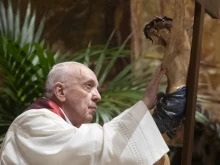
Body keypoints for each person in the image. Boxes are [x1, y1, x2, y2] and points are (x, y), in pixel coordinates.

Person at [0, 61, 171, 165]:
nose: (98, 96)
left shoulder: (55, 125)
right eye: (88, 86)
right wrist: (149, 111)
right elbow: (97, 148)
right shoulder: (31, 124)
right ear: (60, 92)